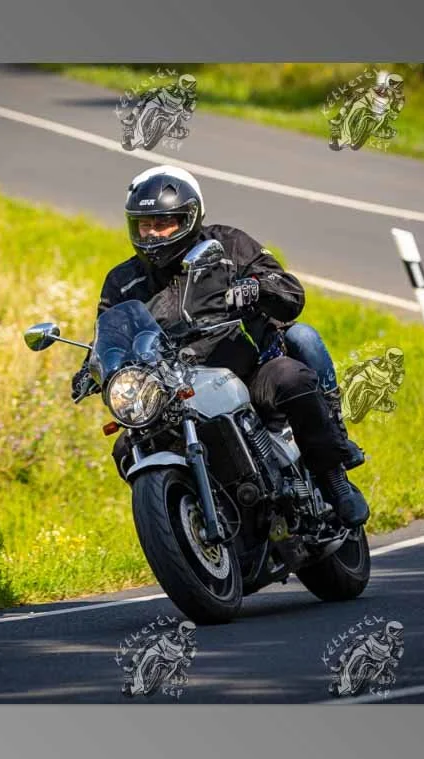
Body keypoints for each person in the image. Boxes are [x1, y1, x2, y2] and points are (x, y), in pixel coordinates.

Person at [71, 165, 369, 528]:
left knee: (292, 378)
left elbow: (289, 290)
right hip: (170, 391)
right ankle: (185, 521)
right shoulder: (123, 280)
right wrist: (92, 366)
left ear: (190, 218)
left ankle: (334, 479)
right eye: (144, 225)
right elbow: (109, 332)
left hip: (244, 372)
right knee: (126, 449)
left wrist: (258, 287)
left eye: (163, 223)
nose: (152, 234)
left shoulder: (229, 245)